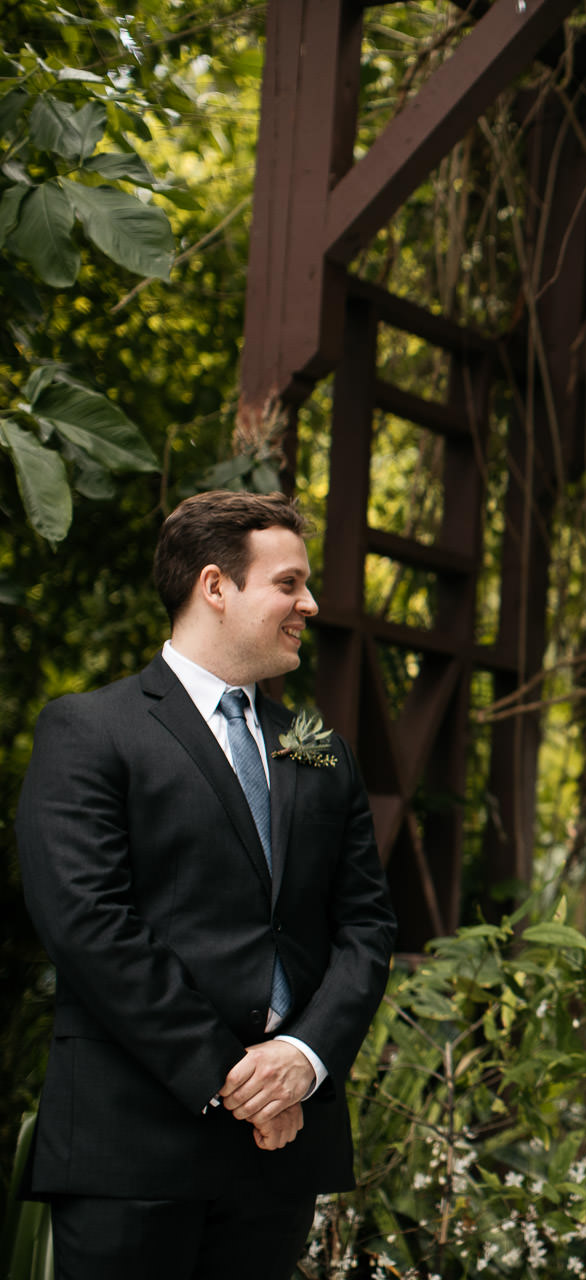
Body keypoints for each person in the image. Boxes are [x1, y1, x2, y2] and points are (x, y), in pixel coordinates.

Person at [15, 490, 397, 1280]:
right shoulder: (89, 729)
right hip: (134, 1150)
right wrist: (235, 1078)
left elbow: (366, 926)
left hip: (281, 1152)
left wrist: (304, 1056)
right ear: (215, 586)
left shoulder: (314, 743)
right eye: (288, 584)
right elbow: (88, 924)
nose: (310, 603)